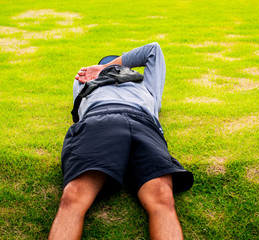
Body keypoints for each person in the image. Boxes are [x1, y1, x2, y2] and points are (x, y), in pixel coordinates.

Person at [48, 42, 194, 240]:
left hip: (142, 123)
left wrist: (105, 67)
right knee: (73, 197)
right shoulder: (86, 81)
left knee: (162, 197)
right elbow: (80, 110)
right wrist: (98, 74)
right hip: (99, 119)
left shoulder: (145, 84)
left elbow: (153, 50)